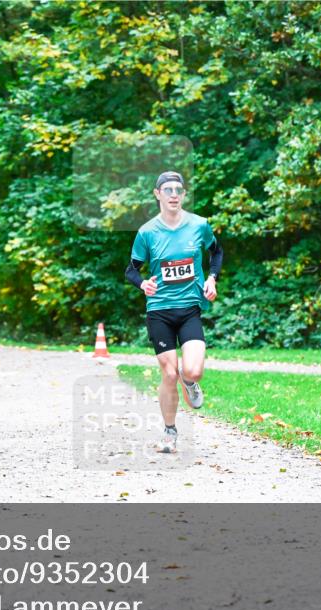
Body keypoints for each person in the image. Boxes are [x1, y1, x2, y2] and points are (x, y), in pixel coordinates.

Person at [124, 171, 223, 453]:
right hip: (159, 311)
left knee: (192, 370)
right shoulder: (147, 232)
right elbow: (131, 269)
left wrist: (212, 277)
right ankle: (170, 431)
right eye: (167, 190)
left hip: (190, 308)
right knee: (169, 374)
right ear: (157, 195)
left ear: (183, 194)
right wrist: (143, 283)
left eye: (178, 189)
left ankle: (190, 383)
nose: (174, 194)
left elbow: (216, 252)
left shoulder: (199, 225)